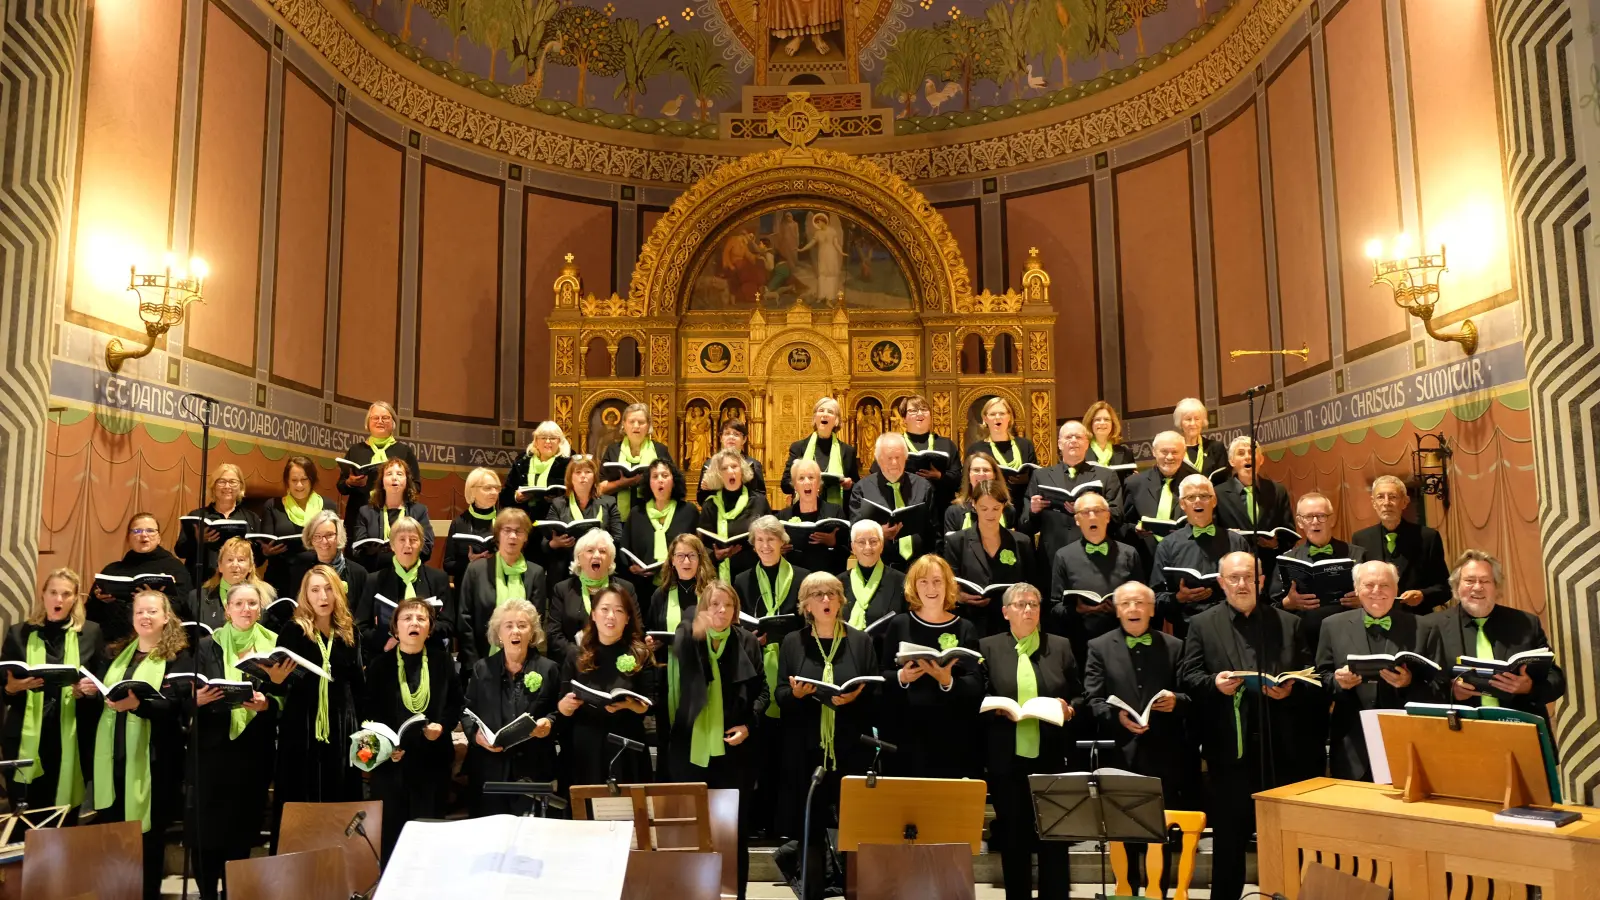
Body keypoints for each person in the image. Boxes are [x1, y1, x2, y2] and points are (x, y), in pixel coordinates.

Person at [1177, 551, 1309, 900]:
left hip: (1277, 746)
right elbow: (1188, 676)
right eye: (1233, 578)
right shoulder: (1202, 624)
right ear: (1221, 582)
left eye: (1249, 577)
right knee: (1229, 840)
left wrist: (1289, 690)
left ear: (1261, 581)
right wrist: (1214, 684)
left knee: (1282, 838)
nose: (1241, 584)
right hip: (1228, 748)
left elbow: (1311, 677)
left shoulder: (1288, 623)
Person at [774, 573, 879, 900]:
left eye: (832, 594)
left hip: (851, 748)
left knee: (854, 828)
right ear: (806, 605)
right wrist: (798, 695)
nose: (826, 601)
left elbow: (876, 694)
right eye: (817, 595)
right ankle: (813, 892)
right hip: (808, 750)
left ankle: (856, 891)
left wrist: (855, 699)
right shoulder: (793, 642)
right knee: (811, 829)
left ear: (841, 600)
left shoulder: (861, 642)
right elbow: (780, 695)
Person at [1083, 582, 1191, 892]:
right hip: (1120, 754)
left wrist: (1177, 701)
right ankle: (1125, 893)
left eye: (1140, 603)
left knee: (1161, 834)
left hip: (1164, 755)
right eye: (1127, 603)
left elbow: (1189, 694)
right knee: (1123, 836)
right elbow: (1092, 698)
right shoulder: (1098, 646)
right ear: (1117, 610)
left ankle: (1159, 895)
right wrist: (1115, 716)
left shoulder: (1174, 646)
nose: (1134, 609)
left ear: (1152, 609)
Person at [189, 582, 293, 900]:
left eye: (252, 604)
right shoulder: (208, 646)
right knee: (207, 828)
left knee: (242, 825)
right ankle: (208, 892)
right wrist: (198, 699)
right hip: (211, 748)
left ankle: (234, 891)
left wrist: (269, 702)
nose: (246, 609)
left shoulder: (275, 646)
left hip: (253, 749)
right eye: (239, 604)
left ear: (259, 610)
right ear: (227, 608)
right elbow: (188, 694)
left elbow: (288, 697)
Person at [662, 581, 766, 898]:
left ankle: (736, 895)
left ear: (736, 611)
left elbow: (762, 691)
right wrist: (694, 628)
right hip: (689, 751)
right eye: (715, 604)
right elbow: (680, 644)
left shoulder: (747, 641)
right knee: (690, 832)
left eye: (728, 605)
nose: (721, 610)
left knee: (733, 834)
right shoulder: (690, 637)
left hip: (734, 753)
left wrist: (748, 725)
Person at [88, 588, 190, 900]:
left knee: (147, 839)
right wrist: (90, 690)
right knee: (113, 835)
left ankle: (146, 894)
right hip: (114, 758)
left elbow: (175, 707)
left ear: (166, 617)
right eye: (139, 612)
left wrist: (137, 705)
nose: (144, 617)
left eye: (151, 611)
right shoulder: (116, 654)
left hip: (153, 760)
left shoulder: (178, 658)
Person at [980, 583, 1079, 900]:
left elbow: (1079, 692)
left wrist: (1070, 706)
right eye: (1020, 604)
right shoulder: (988, 647)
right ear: (1005, 612)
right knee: (1013, 838)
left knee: (1055, 837)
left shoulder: (1060, 646)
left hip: (1051, 756)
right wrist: (995, 709)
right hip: (1007, 759)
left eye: (1034, 604)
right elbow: (976, 694)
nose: (1028, 610)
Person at [1317, 561, 1442, 781]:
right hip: (1351, 749)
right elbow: (1321, 680)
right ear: (1356, 589)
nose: (1377, 591)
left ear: (1396, 589)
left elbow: (1440, 689)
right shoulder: (1331, 626)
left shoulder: (1425, 628)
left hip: (1408, 745)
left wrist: (1408, 683)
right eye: (1369, 585)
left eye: (1385, 585)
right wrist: (1339, 683)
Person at [361, 597, 463, 859]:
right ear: (395, 628)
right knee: (392, 839)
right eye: (407, 618)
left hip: (432, 762)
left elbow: (456, 703)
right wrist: (385, 747)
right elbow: (368, 712)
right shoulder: (379, 666)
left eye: (421, 618)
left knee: (429, 837)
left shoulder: (443, 663)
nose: (414, 623)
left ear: (430, 628)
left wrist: (442, 725)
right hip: (392, 764)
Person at [271, 566, 365, 835]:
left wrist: (364, 728)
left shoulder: (350, 632)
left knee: (340, 793)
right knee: (300, 793)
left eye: (328, 589)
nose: (322, 596)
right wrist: (276, 679)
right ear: (306, 596)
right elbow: (281, 680)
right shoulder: (292, 631)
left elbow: (358, 684)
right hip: (302, 722)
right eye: (315, 590)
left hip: (341, 723)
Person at [3, 569, 102, 815]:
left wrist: (88, 691)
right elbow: (4, 686)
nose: (58, 600)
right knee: (24, 813)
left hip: (72, 732)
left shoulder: (90, 633)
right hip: (25, 733)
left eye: (66, 594)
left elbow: (101, 686)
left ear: (75, 599)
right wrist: (11, 688)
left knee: (63, 813)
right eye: (53, 593)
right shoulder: (19, 633)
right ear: (43, 595)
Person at [1428, 549, 1565, 722]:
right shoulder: (1432, 626)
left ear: (1496, 587)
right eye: (1469, 581)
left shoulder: (1526, 623)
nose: (1478, 587)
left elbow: (1556, 680)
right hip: (1458, 731)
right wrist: (1450, 691)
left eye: (1485, 581)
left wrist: (1529, 687)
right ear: (1456, 586)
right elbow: (1419, 685)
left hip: (1519, 728)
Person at [878, 555, 983, 778]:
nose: (931, 588)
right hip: (907, 730)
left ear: (948, 585)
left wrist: (947, 681)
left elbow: (976, 684)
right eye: (923, 582)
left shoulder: (965, 628)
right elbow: (881, 675)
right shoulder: (900, 624)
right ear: (914, 586)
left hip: (951, 732)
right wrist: (902, 677)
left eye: (937, 581)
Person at [463, 598, 561, 816]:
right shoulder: (482, 669)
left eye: (522, 625)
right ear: (499, 634)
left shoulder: (549, 669)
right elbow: (467, 712)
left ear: (532, 633)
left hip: (534, 769)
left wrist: (549, 723)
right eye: (508, 626)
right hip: (491, 769)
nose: (515, 631)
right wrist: (477, 736)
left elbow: (558, 712)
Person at [555, 586, 656, 787]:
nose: (611, 616)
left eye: (619, 611)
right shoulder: (576, 654)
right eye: (605, 609)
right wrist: (564, 706)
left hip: (626, 741)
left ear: (627, 618)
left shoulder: (640, 654)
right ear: (593, 615)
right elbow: (562, 706)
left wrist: (629, 705)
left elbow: (649, 703)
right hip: (586, 744)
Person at [1148, 475, 1252, 638]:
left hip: (1233, 629)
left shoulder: (1236, 541)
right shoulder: (1167, 546)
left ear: (1214, 501)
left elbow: (1254, 586)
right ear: (1182, 504)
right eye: (1190, 497)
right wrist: (1179, 598)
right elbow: (1156, 598)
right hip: (1187, 632)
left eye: (1204, 496)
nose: (1198, 501)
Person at [1046, 492, 1140, 660]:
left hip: (1123, 641)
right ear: (1077, 520)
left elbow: (1144, 602)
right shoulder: (1064, 556)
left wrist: (1121, 609)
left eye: (1097, 511)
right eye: (1085, 512)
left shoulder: (1129, 553)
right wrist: (1077, 609)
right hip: (1080, 642)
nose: (1092, 516)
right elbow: (1055, 607)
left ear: (1108, 517)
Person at [1023, 420, 1124, 571]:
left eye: (1078, 437)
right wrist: (1033, 511)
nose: (1073, 441)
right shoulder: (1041, 476)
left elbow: (1117, 516)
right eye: (1068, 437)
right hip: (1051, 558)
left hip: (1095, 555)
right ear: (1059, 444)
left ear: (1087, 443)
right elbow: (1025, 526)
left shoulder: (1106, 476)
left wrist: (1087, 511)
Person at [1269, 492, 1366, 650]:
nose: (1315, 522)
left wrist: (1363, 600)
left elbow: (1379, 594)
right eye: (1309, 517)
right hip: (1305, 641)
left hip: (1349, 637)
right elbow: (1271, 606)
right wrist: (1287, 604)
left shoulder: (1358, 554)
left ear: (1332, 519)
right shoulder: (1287, 560)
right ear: (1300, 522)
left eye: (1321, 516)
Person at [460, 509, 551, 672]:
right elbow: (465, 618)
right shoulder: (476, 570)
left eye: (519, 531)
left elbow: (536, 620)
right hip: (481, 659)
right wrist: (474, 663)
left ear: (526, 537)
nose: (513, 536)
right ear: (497, 535)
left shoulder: (535, 573)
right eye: (507, 530)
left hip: (524, 661)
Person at [353, 517, 454, 658]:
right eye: (401, 540)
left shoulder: (438, 578)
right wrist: (388, 639)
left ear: (421, 545)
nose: (408, 545)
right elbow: (360, 627)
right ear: (392, 545)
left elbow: (448, 624)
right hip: (387, 656)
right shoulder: (374, 580)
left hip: (429, 655)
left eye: (413, 540)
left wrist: (421, 633)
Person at [943, 481, 1034, 636]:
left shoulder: (1021, 542)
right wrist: (960, 596)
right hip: (970, 621)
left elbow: (1033, 582)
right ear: (974, 505)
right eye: (984, 508)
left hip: (1010, 623)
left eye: (995, 508)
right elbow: (949, 582)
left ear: (1003, 506)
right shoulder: (957, 541)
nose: (990, 514)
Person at [90, 513, 194, 647]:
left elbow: (185, 607)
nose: (144, 535)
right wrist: (100, 600)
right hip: (115, 641)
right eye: (137, 531)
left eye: (150, 530)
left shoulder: (174, 568)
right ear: (128, 537)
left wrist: (156, 599)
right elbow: (91, 615)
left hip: (160, 643)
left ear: (159, 537)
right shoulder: (112, 570)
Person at [1351, 475, 1451, 612]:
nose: (1386, 503)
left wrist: (1422, 595)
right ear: (1374, 503)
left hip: (1417, 621)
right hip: (1376, 619)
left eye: (1393, 497)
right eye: (1380, 497)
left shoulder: (1428, 537)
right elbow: (1356, 585)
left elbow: (1445, 588)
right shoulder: (1360, 539)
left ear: (1405, 502)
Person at [548, 529, 637, 665]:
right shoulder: (562, 589)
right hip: (574, 662)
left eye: (603, 551)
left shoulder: (626, 589)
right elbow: (554, 635)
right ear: (579, 558)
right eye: (590, 551)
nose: (597, 555)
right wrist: (580, 655)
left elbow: (635, 630)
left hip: (615, 661)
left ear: (611, 560)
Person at [1213, 437, 1295, 585]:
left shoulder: (1277, 491)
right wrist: (1227, 537)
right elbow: (1213, 532)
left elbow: (1289, 531)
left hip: (1270, 570)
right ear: (1231, 462)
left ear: (1261, 459)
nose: (1247, 457)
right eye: (1241, 453)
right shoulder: (1217, 494)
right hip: (1235, 572)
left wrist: (1276, 544)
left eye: (1252, 452)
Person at [848, 434, 935, 571]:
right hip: (878, 565)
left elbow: (934, 530)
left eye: (898, 457)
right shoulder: (862, 489)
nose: (894, 463)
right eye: (889, 458)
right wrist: (877, 533)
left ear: (905, 458)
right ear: (879, 460)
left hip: (919, 567)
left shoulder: (923, 487)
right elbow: (854, 531)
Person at [620, 459, 698, 602]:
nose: (660, 480)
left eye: (665, 475)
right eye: (655, 476)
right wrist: (632, 568)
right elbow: (625, 549)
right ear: (649, 484)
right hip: (643, 588)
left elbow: (698, 549)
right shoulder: (637, 514)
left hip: (683, 585)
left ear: (674, 481)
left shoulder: (688, 511)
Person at [539, 455, 625, 583]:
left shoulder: (609, 502)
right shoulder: (558, 504)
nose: (583, 476)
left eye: (588, 472)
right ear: (570, 478)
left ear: (594, 477)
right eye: (578, 472)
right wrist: (555, 543)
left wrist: (600, 542)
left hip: (599, 565)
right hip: (566, 569)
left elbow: (617, 538)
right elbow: (545, 544)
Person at [337, 401, 421, 530]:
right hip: (358, 517)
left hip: (395, 517)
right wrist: (350, 482)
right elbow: (341, 486)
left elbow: (416, 486)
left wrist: (397, 486)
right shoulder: (356, 450)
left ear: (393, 423)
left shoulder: (404, 451)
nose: (380, 421)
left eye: (385, 418)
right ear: (368, 423)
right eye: (375, 418)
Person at [1120, 431, 1199, 568]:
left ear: (1183, 453)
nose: (1169, 457)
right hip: (1146, 560)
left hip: (1186, 559)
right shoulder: (1134, 484)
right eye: (1164, 452)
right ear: (1154, 452)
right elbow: (1123, 525)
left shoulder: (1196, 483)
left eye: (1175, 452)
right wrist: (1136, 529)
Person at [175, 463, 262, 585]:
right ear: (213, 486)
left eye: (232, 482)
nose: (227, 486)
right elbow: (180, 551)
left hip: (240, 584)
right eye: (221, 482)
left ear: (240, 486)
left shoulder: (252, 518)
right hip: (202, 582)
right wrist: (197, 540)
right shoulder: (196, 516)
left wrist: (265, 552)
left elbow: (258, 559)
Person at [259, 456, 328, 602]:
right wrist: (266, 551)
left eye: (304, 480)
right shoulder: (273, 505)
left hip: (316, 576)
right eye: (294, 480)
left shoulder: (328, 506)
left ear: (312, 480)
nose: (299, 485)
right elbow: (266, 541)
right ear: (287, 482)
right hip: (280, 575)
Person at [699, 448, 772, 581]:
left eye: (734, 466)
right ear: (718, 474)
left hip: (754, 574)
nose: (730, 471)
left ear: (742, 470)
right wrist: (715, 556)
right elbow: (703, 547)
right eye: (724, 468)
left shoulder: (759, 502)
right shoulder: (710, 506)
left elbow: (772, 535)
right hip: (719, 576)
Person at [599, 402, 679, 522]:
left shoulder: (660, 450)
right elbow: (599, 488)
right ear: (624, 425)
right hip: (616, 519)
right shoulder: (612, 450)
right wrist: (622, 484)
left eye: (641, 422)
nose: (636, 426)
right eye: (631, 422)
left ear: (648, 426)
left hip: (653, 516)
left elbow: (675, 484)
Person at [888, 395, 961, 524]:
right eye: (913, 411)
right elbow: (878, 476)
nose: (920, 413)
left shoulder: (946, 444)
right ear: (904, 418)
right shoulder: (893, 444)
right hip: (905, 509)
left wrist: (940, 476)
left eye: (924, 409)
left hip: (941, 511)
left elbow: (959, 480)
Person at [351, 458, 435, 569]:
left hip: (409, 571)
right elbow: (357, 551)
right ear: (382, 482)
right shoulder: (365, 512)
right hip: (376, 574)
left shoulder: (419, 511)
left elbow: (426, 548)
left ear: (406, 481)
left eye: (400, 474)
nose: (394, 478)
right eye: (389, 474)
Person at [181, 537, 276, 633]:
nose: (235, 565)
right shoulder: (197, 598)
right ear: (220, 566)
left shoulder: (267, 596)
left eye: (241, 560)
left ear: (251, 566)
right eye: (230, 560)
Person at [286, 509, 370, 615]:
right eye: (317, 536)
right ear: (310, 539)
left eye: (329, 535)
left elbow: (363, 615)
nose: (324, 542)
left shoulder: (359, 573)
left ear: (338, 536)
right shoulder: (300, 568)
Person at [776, 458, 849, 576]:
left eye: (811, 477)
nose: (807, 482)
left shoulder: (835, 512)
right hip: (794, 578)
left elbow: (847, 549)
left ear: (819, 483)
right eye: (801, 478)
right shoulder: (783, 516)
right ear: (794, 485)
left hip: (827, 577)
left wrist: (833, 542)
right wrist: (779, 550)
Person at [780, 397, 858, 505]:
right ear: (814, 418)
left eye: (830, 412)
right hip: (803, 513)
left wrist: (849, 486)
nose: (824, 414)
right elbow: (785, 485)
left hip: (836, 513)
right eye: (821, 410)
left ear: (836, 421)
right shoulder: (798, 447)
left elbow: (857, 488)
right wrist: (804, 484)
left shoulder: (848, 451)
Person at [444, 467, 503, 600]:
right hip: (467, 589)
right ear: (472, 491)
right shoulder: (459, 523)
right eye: (488, 488)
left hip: (498, 588)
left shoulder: (505, 520)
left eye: (497, 488)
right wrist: (469, 561)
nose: (494, 492)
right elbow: (448, 564)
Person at [840, 521, 907, 636]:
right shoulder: (838, 583)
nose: (868, 547)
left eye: (873, 541)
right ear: (852, 547)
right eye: (861, 542)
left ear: (881, 546)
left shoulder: (902, 581)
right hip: (848, 649)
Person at [501, 420, 572, 521]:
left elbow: (574, 495)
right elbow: (506, 494)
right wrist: (516, 497)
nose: (548, 441)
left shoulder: (568, 464)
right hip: (523, 519)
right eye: (543, 438)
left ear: (559, 441)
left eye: (552, 438)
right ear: (536, 441)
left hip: (554, 518)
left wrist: (555, 499)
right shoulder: (522, 461)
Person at [967, 397, 1036, 492]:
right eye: (992, 414)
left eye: (1002, 413)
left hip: (1023, 503)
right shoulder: (975, 449)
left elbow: (1036, 479)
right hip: (990, 504)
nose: (997, 417)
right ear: (985, 419)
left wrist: (1026, 479)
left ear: (1009, 417)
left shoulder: (1025, 445)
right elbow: (967, 483)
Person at [944, 452, 1020, 537]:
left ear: (994, 475)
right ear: (969, 475)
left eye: (986, 470)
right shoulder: (954, 512)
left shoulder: (1007, 510)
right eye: (976, 470)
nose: (981, 474)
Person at [697, 418, 767, 502]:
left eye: (736, 434)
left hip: (747, 512)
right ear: (721, 438)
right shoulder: (708, 465)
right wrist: (707, 489)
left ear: (744, 439)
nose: (731, 437)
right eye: (727, 433)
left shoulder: (753, 464)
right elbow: (701, 500)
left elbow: (761, 497)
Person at [1174, 397, 1228, 481]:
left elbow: (1224, 481)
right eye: (1188, 419)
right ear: (1180, 422)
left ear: (1202, 421)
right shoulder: (1174, 450)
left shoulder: (1216, 448)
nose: (1193, 423)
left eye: (1197, 419)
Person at [1084, 401, 1138, 474]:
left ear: (1113, 423)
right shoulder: (1081, 452)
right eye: (1097, 419)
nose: (1102, 423)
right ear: (1090, 423)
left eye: (1106, 419)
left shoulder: (1125, 453)